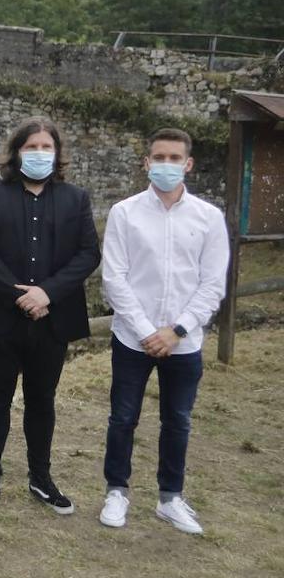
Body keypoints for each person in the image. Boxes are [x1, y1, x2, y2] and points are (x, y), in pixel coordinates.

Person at [98, 128, 229, 535]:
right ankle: (116, 491)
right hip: (132, 337)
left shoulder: (208, 218)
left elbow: (212, 284)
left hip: (184, 341)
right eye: (159, 157)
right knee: (123, 417)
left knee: (178, 420)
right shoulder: (126, 212)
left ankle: (170, 497)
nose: (166, 164)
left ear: (188, 163)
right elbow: (114, 278)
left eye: (175, 158)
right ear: (147, 163)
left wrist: (176, 330)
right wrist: (145, 331)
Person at [0, 117, 101, 514]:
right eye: (31, 147)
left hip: (52, 317)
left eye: (46, 147)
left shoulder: (75, 198)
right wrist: (17, 294)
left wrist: (47, 292)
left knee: (42, 400)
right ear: (16, 152)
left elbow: (88, 254)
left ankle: (40, 477)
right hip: (1, 317)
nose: (39, 154)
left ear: (57, 154)